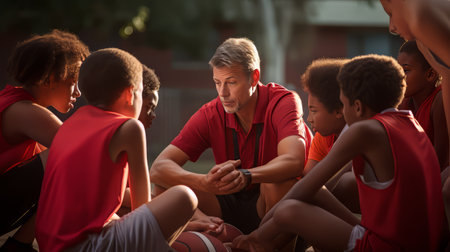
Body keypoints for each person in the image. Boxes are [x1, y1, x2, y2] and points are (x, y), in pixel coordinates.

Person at [232, 54, 445, 252]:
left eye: (343, 105)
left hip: (388, 247)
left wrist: (260, 231)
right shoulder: (408, 123)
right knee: (315, 193)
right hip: (421, 242)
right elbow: (317, 187)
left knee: (289, 210)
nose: (343, 112)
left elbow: (305, 187)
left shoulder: (364, 130)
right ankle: (259, 243)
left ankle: (255, 243)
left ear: (358, 107)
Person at [35, 48, 197, 252]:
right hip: (86, 247)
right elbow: (142, 207)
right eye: (140, 92)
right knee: (185, 196)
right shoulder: (130, 127)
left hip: (51, 246)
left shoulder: (69, 126)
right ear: (130, 94)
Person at [150, 37, 312, 236]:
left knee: (277, 184)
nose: (222, 93)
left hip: (272, 204)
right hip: (225, 201)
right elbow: (158, 168)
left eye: (231, 82)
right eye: (217, 83)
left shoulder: (283, 101)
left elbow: (294, 160)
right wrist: (203, 182)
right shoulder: (210, 113)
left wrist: (247, 175)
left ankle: (269, 244)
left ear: (254, 77)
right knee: (166, 184)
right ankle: (209, 230)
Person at [0, 30, 89, 252]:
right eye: (73, 82)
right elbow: (89, 154)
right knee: (66, 156)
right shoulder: (25, 111)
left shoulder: (16, 101)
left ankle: (22, 242)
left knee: (63, 158)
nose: (78, 93)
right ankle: (20, 243)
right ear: (49, 79)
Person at [301, 58, 359, 214]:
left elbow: (314, 189)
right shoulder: (323, 136)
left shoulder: (359, 132)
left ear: (339, 110)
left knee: (346, 182)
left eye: (314, 111)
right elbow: (309, 179)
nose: (309, 119)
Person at [397, 40, 448, 170]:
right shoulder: (404, 103)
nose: (398, 77)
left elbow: (440, 159)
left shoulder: (440, 100)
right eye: (397, 70)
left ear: (430, 74)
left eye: (405, 70)